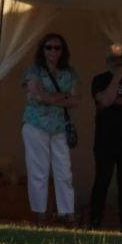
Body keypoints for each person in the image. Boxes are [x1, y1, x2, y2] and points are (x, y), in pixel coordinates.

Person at [21, 32, 78, 226]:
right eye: (49, 47)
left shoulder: (69, 72)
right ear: (42, 50)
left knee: (64, 171)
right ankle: (40, 215)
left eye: (57, 48)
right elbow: (37, 95)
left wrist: (48, 97)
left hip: (59, 126)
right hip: (36, 125)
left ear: (63, 51)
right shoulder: (34, 70)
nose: (53, 51)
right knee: (39, 171)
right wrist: (61, 97)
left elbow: (75, 100)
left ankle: (68, 213)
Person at [89, 44, 122, 232]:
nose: (118, 64)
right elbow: (103, 100)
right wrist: (117, 78)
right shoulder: (99, 79)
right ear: (108, 61)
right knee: (102, 180)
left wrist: (112, 100)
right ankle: (94, 221)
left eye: (121, 60)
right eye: (114, 61)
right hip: (105, 140)